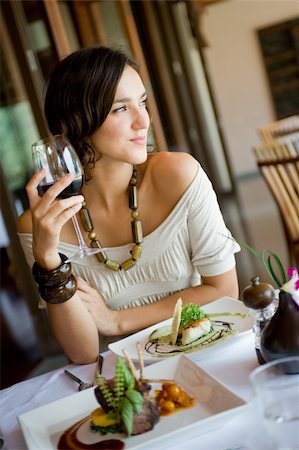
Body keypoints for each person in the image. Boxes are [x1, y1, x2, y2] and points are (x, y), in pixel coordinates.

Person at [17, 46, 240, 364]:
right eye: (120, 109)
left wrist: (116, 321)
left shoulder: (177, 174)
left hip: (208, 352)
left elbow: (223, 290)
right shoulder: (41, 223)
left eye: (142, 102)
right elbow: (82, 353)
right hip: (126, 378)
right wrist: (48, 261)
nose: (143, 121)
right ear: (75, 121)